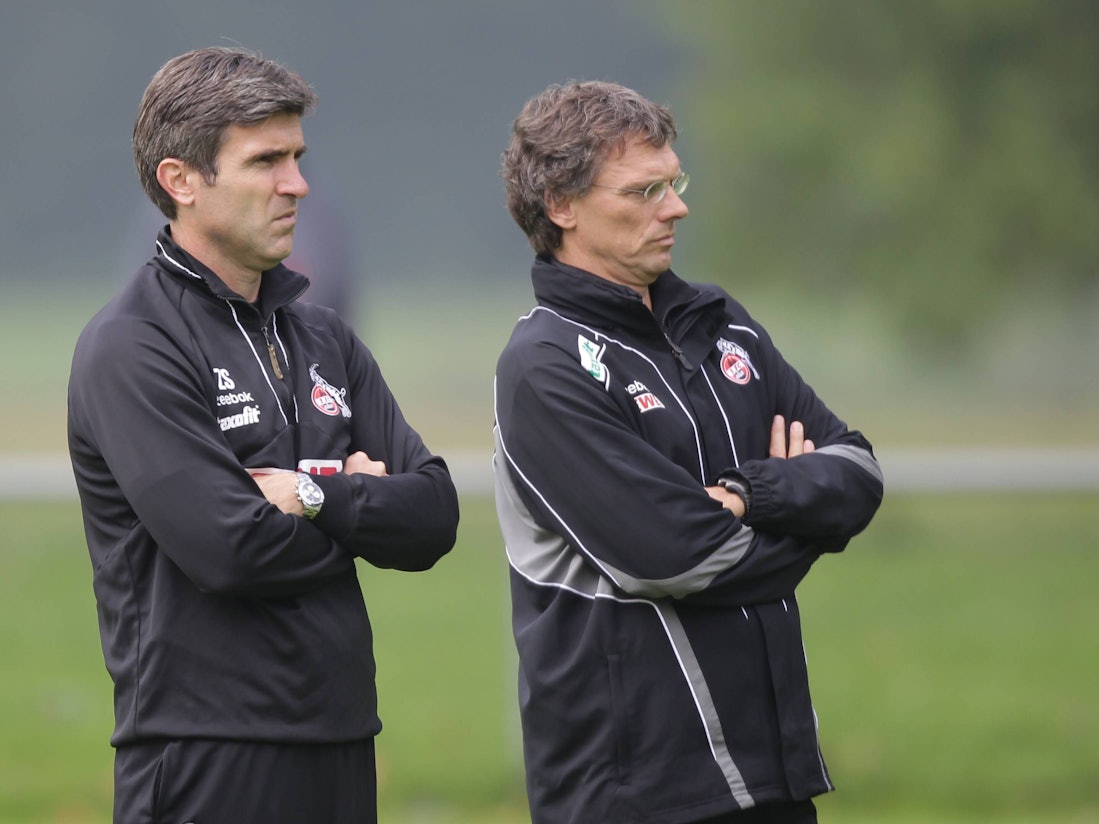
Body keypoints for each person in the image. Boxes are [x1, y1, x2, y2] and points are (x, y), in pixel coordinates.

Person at [67, 47, 459, 824]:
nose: (297, 185)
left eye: (297, 157)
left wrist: (311, 494)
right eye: (266, 162)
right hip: (202, 752)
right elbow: (230, 550)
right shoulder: (132, 345)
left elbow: (434, 518)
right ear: (181, 181)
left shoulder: (324, 337)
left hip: (343, 737)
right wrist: (360, 502)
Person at [492, 80, 884, 823]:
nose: (674, 207)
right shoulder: (544, 366)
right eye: (642, 191)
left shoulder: (720, 323)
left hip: (774, 769)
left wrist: (747, 496)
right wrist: (804, 510)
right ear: (561, 206)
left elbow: (857, 471)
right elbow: (678, 558)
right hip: (637, 792)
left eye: (673, 183)